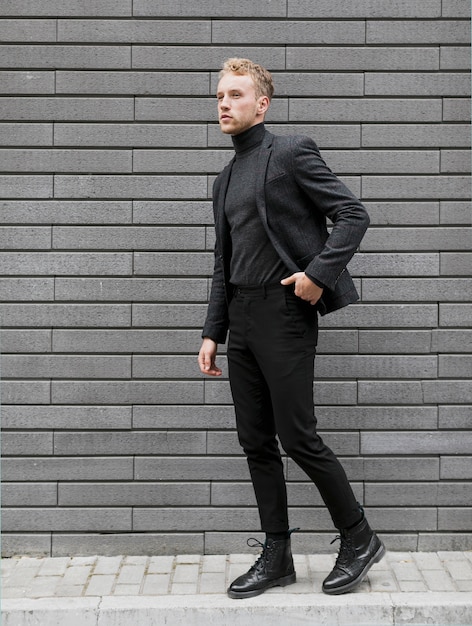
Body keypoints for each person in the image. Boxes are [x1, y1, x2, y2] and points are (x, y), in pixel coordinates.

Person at [198, 58, 385, 599]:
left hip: (284, 314)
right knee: (255, 440)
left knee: (297, 436)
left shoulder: (291, 153)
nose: (224, 104)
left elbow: (353, 214)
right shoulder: (225, 178)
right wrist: (213, 330)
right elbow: (221, 260)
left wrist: (317, 276)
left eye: (235, 94)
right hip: (242, 318)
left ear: (262, 104)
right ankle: (276, 554)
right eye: (219, 96)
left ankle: (358, 536)